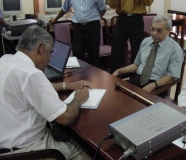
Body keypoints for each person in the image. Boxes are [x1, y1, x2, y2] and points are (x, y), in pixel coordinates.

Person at [0, 26, 91, 160]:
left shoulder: (5, 60)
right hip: (28, 149)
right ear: (41, 48)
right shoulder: (31, 74)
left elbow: (36, 88)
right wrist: (78, 98)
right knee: (87, 153)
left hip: (6, 144)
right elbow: (66, 117)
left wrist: (69, 85)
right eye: (50, 52)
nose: (49, 60)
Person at [112, 15, 184, 98]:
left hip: (157, 85)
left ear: (169, 30)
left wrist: (153, 85)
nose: (154, 33)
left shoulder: (175, 49)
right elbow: (137, 65)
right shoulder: (146, 42)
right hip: (137, 80)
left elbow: (172, 76)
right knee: (115, 96)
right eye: (152, 29)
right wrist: (119, 71)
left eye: (159, 31)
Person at [49, 0, 106, 67]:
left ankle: (94, 76)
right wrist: (55, 19)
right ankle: (78, 76)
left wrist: (94, 18)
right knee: (77, 53)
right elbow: (65, 8)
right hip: (78, 27)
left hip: (92, 27)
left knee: (93, 55)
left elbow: (102, 9)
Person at [109, 0, 154, 73]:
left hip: (137, 18)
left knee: (137, 50)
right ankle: (114, 75)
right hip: (122, 18)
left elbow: (148, 2)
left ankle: (134, 77)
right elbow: (112, 5)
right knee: (116, 49)